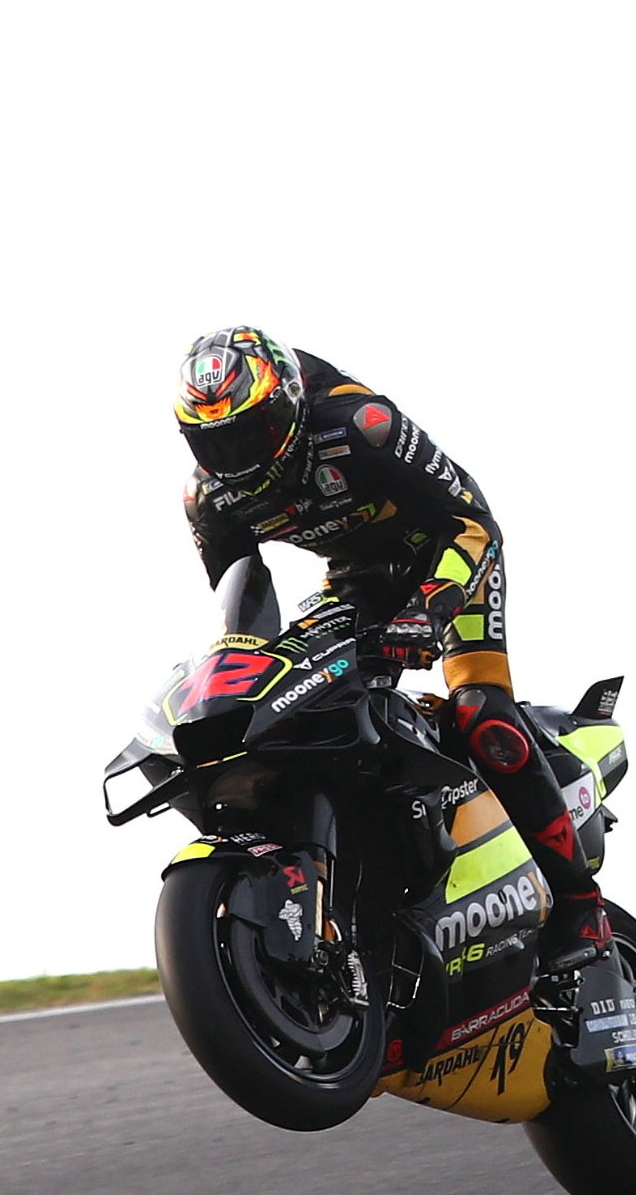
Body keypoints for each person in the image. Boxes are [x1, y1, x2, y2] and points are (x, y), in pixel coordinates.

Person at [172, 324, 609, 971]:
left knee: (479, 711)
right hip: (353, 582)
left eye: (251, 432)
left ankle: (580, 906)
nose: (236, 456)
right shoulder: (209, 496)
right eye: (215, 441)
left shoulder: (360, 424)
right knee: (295, 705)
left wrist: (430, 607)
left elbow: (470, 521)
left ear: (288, 404)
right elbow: (243, 605)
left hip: (446, 560)